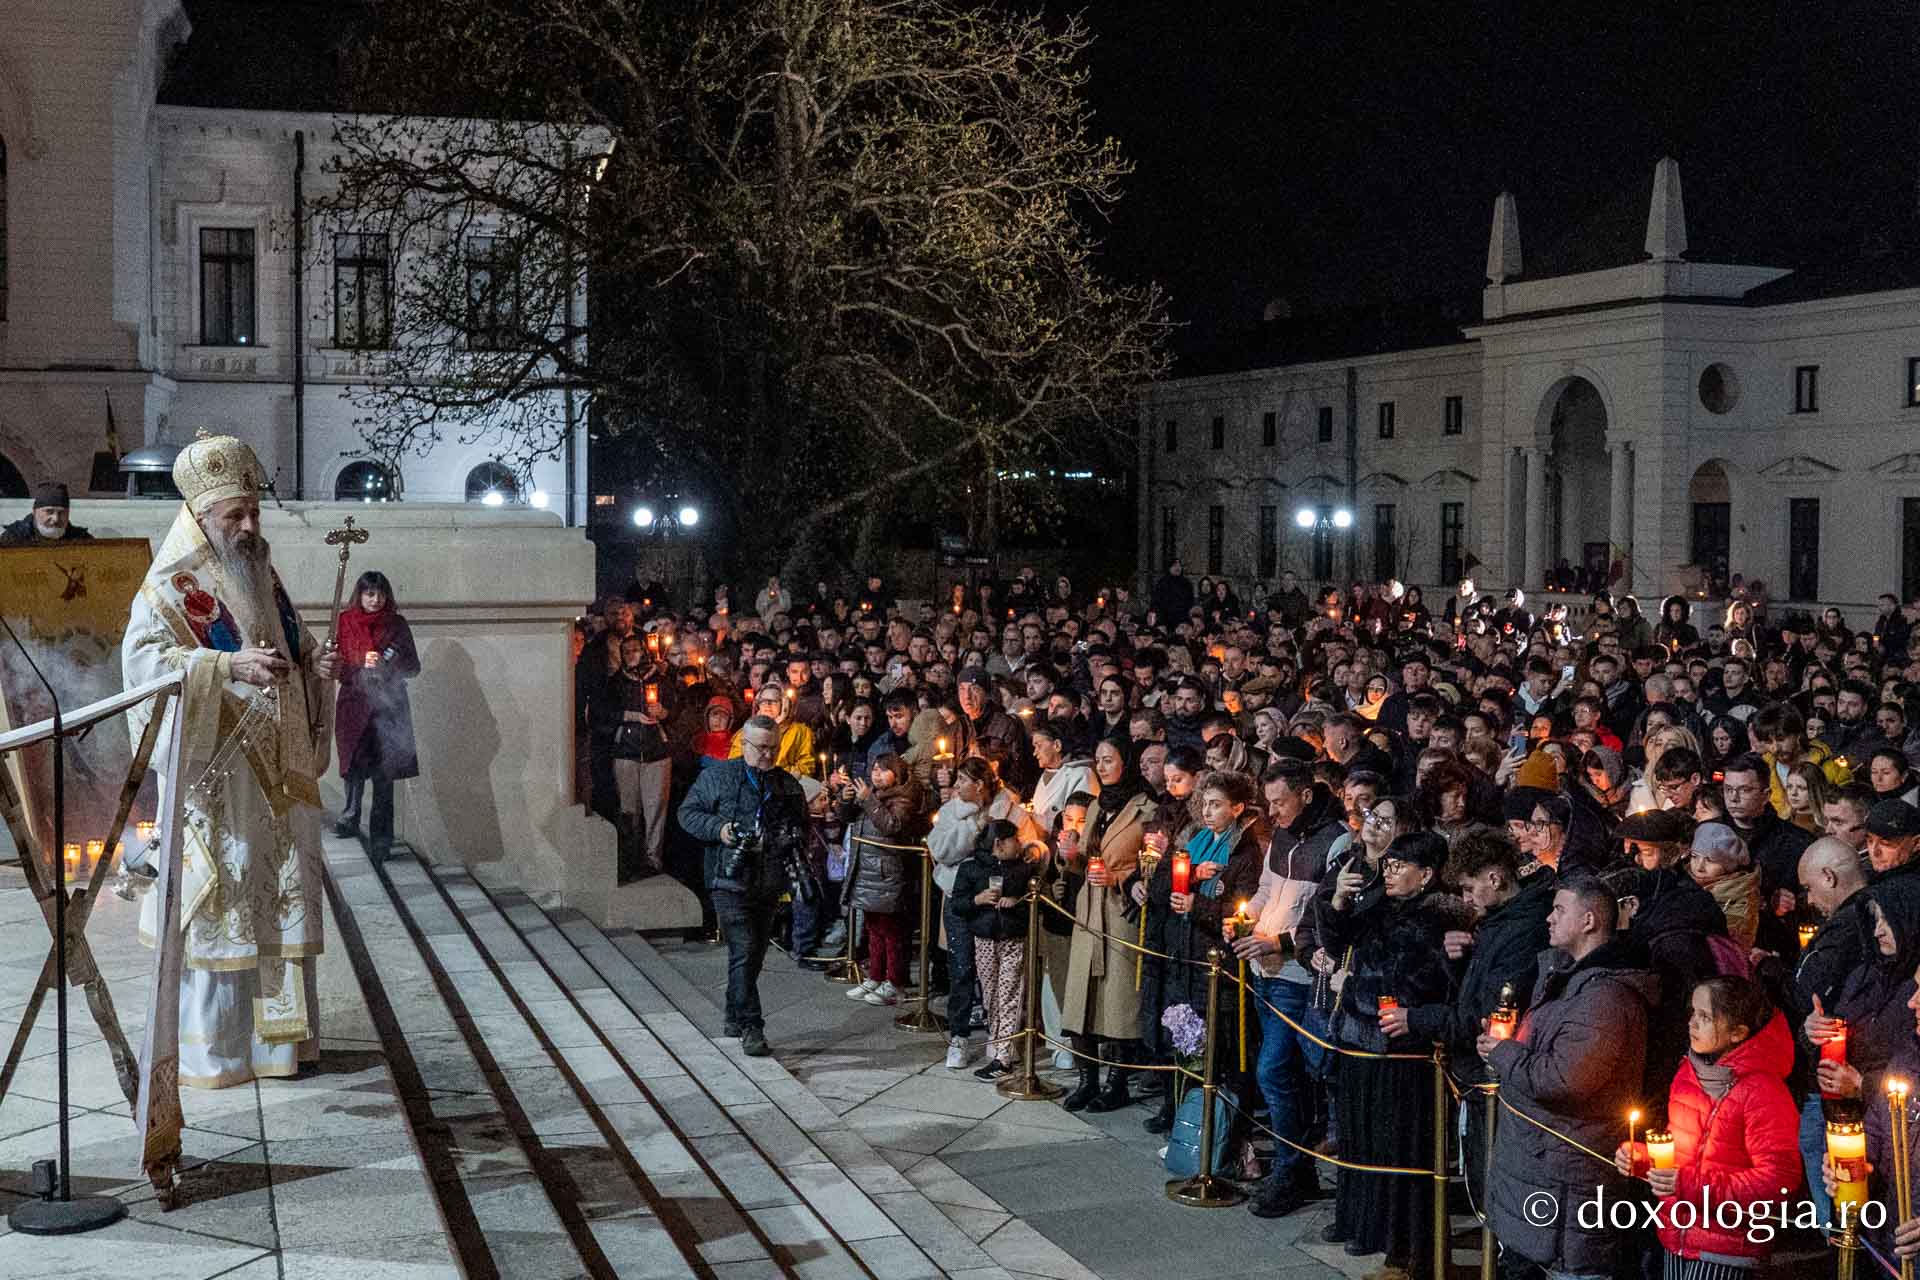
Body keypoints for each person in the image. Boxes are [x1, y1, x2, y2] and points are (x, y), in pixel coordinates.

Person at [121, 434, 343, 1087]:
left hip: (277, 778)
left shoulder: (260, 573)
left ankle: (276, 1049)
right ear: (199, 516)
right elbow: (142, 671)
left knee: (278, 908)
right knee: (228, 915)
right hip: (219, 779)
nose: (248, 526)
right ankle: (214, 1052)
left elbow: (289, 647)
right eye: (233, 516)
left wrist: (314, 664)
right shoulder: (169, 588)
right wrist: (225, 663)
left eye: (253, 511)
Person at [1481, 877, 1658, 1280]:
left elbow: (1566, 1079)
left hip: (1567, 1180)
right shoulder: (1567, 980)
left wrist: (1504, 1053)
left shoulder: (1604, 998)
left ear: (1590, 920)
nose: (1548, 917)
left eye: (1560, 910)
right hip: (1542, 1166)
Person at [1316, 830, 1469, 1279]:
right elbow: (1340, 938)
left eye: (1401, 866)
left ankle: (1410, 1252)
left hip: (1401, 1051)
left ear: (1427, 875)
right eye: (1389, 864)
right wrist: (1338, 901)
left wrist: (1357, 989)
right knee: (1363, 1141)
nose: (1390, 872)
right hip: (1360, 1042)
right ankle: (1370, 1230)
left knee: (1400, 1150)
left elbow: (1418, 984)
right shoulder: (1380, 902)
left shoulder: (1437, 920)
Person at [1612, 976, 1801, 1279]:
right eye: (1693, 1013)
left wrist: (1688, 1185)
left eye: (1705, 1017)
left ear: (1738, 1032)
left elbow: (1778, 1181)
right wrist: (1644, 1160)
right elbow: (1683, 1155)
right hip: (1677, 1236)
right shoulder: (1688, 1073)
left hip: (1729, 1249)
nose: (1692, 1023)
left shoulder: (1763, 1091)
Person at [1229, 758, 1343, 1217]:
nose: (1272, 811)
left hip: (1297, 977)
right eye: (1269, 802)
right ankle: (1295, 1165)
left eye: (1280, 802)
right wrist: (1244, 918)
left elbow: (1323, 916)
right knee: (1281, 1072)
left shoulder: (1336, 840)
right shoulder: (1280, 835)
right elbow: (1265, 889)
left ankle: (1294, 1169)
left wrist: (1275, 940)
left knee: (1275, 1071)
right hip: (1265, 971)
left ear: (1306, 795)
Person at [678, 714, 809, 1057]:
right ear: (745, 745)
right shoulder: (719, 776)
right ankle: (752, 1025)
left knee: (752, 956)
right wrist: (721, 830)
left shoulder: (787, 785)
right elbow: (687, 813)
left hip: (768, 881)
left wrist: (782, 840)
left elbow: (801, 829)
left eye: (773, 749)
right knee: (746, 947)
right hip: (728, 878)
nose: (767, 755)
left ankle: (733, 1015)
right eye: (761, 748)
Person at [1062, 737, 1162, 1111]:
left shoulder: (1145, 808)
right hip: (1089, 912)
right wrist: (1069, 856)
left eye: (1109, 760)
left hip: (1120, 914)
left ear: (1127, 763)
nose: (1101, 767)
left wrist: (1120, 879)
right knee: (1081, 1000)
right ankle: (1087, 1080)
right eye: (1098, 760)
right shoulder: (1094, 808)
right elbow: (1085, 858)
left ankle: (1116, 1082)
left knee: (1117, 1004)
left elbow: (1151, 863)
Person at [331, 570, 421, 861]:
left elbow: (412, 666)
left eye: (381, 593)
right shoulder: (345, 621)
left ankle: (382, 837)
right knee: (354, 765)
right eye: (370, 593)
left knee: (385, 773)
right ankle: (350, 816)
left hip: (388, 706)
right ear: (360, 595)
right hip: (355, 704)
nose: (376, 599)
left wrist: (386, 665)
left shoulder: (397, 624)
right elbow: (335, 664)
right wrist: (359, 666)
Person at [952, 818, 1039, 1079]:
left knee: (1010, 993)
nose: (1019, 843)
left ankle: (1003, 1057)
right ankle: (1000, 1043)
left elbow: (1036, 902)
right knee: (991, 994)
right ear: (1000, 844)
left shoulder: (1023, 871)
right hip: (984, 939)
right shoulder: (971, 869)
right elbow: (958, 904)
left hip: (1013, 938)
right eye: (1015, 839)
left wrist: (1017, 901)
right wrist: (977, 900)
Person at [839, 752, 927, 1007]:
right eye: (874, 769)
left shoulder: (903, 798)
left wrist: (868, 801)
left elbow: (892, 825)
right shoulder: (872, 796)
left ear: (897, 774)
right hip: (867, 872)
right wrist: (845, 801)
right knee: (873, 928)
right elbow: (847, 818)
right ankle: (875, 976)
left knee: (892, 932)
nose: (876, 774)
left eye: (883, 770)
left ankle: (895, 982)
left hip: (887, 874)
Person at [0, 480, 94, 545]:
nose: (56, 519)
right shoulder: (13, 539)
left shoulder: (81, 540)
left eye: (61, 513)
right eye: (49, 511)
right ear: (34, 512)